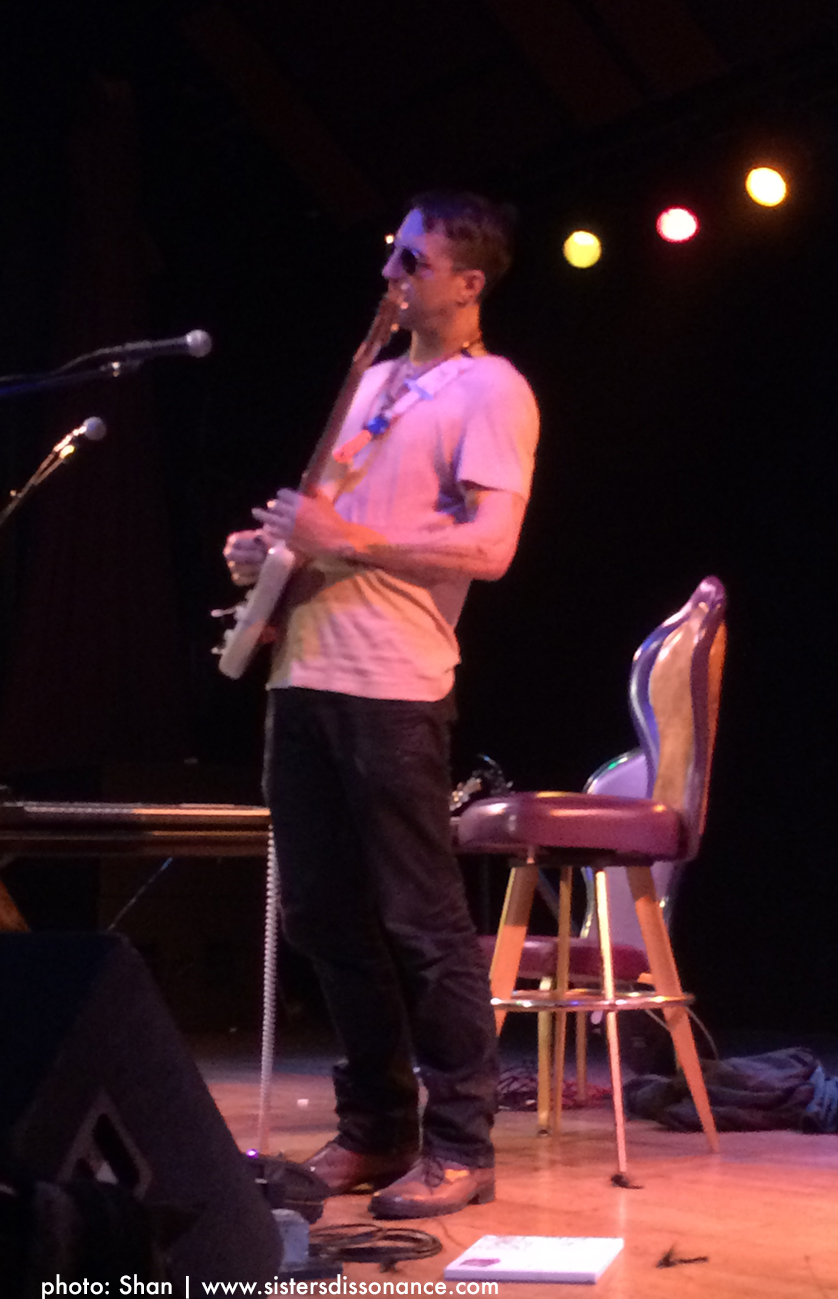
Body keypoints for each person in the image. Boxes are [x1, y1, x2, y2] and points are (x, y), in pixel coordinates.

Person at [223, 192, 539, 1219]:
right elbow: (333, 526)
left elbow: (492, 548)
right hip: (305, 671)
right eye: (392, 254)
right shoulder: (370, 381)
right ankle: (376, 1128)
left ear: (469, 282)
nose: (392, 274)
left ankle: (462, 1144)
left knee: (422, 921)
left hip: (394, 684)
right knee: (322, 915)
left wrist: (345, 541)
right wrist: (271, 555)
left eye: (413, 260)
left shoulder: (491, 391)